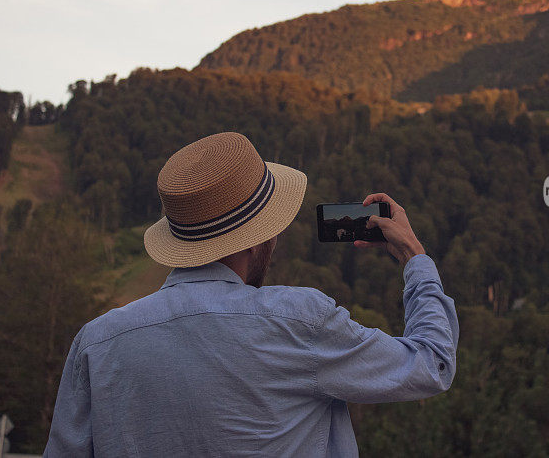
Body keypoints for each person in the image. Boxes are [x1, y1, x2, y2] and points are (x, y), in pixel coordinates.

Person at [44, 132, 458, 457]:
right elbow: (432, 363)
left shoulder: (96, 343)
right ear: (259, 239)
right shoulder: (302, 323)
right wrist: (413, 256)